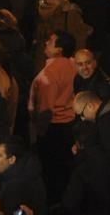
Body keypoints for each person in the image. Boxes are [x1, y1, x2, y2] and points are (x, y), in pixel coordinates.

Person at [29, 31, 77, 204]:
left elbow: (45, 109)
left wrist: (40, 132)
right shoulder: (73, 65)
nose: (45, 43)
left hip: (53, 128)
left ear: (59, 49)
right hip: (69, 124)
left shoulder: (49, 74)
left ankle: (53, 204)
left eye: (50, 42)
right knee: (64, 168)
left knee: (51, 171)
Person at [34, 0, 91, 72]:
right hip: (43, 63)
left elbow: (79, 41)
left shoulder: (69, 13)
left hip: (62, 64)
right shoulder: (40, 10)